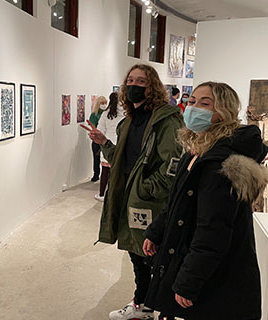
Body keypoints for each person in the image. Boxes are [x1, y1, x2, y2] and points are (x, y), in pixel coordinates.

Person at [143, 82, 267, 320]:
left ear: (224, 111)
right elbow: (178, 202)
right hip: (196, 257)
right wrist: (156, 231)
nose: (194, 108)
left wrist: (189, 281)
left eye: (205, 103)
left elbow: (213, 230)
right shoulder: (197, 151)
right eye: (192, 102)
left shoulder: (220, 162)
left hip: (218, 275)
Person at [81, 64, 183, 320]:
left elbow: (171, 166)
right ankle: (143, 305)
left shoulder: (165, 121)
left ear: (153, 88)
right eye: (130, 81)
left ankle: (152, 306)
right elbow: (124, 160)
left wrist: (144, 189)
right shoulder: (128, 122)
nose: (134, 86)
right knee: (136, 254)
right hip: (129, 199)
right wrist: (104, 143)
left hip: (149, 203)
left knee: (151, 256)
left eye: (141, 82)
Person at [95, 92, 123, 202]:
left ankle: (102, 194)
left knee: (105, 171)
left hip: (107, 143)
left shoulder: (106, 114)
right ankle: (114, 196)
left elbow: (100, 130)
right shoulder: (125, 113)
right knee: (117, 174)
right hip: (120, 145)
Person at [88, 96, 107, 182]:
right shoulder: (94, 115)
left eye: (105, 103)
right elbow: (93, 127)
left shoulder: (107, 114)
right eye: (102, 103)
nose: (104, 105)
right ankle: (96, 174)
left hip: (106, 139)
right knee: (96, 158)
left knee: (106, 158)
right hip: (96, 140)